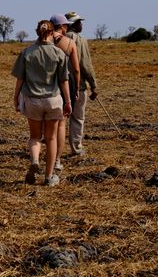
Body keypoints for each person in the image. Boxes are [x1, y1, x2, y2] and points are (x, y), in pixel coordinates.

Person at [12, 20, 71, 186]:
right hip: (53, 100)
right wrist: (67, 101)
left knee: (35, 137)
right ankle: (49, 176)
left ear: (37, 31)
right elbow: (64, 80)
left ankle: (35, 160)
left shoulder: (27, 52)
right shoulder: (59, 54)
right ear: (52, 33)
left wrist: (15, 97)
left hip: (32, 100)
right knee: (51, 139)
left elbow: (20, 79)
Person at [48, 13, 80, 174]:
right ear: (62, 26)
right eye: (66, 25)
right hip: (66, 83)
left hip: (46, 84)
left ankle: (45, 158)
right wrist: (77, 87)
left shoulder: (43, 41)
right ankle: (57, 160)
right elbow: (76, 68)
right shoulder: (69, 43)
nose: (67, 27)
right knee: (61, 124)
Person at [65, 12, 98, 155]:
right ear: (73, 24)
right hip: (78, 86)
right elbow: (85, 64)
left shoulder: (57, 38)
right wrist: (93, 85)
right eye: (79, 22)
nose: (81, 25)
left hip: (59, 86)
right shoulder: (79, 39)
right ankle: (76, 148)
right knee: (77, 118)